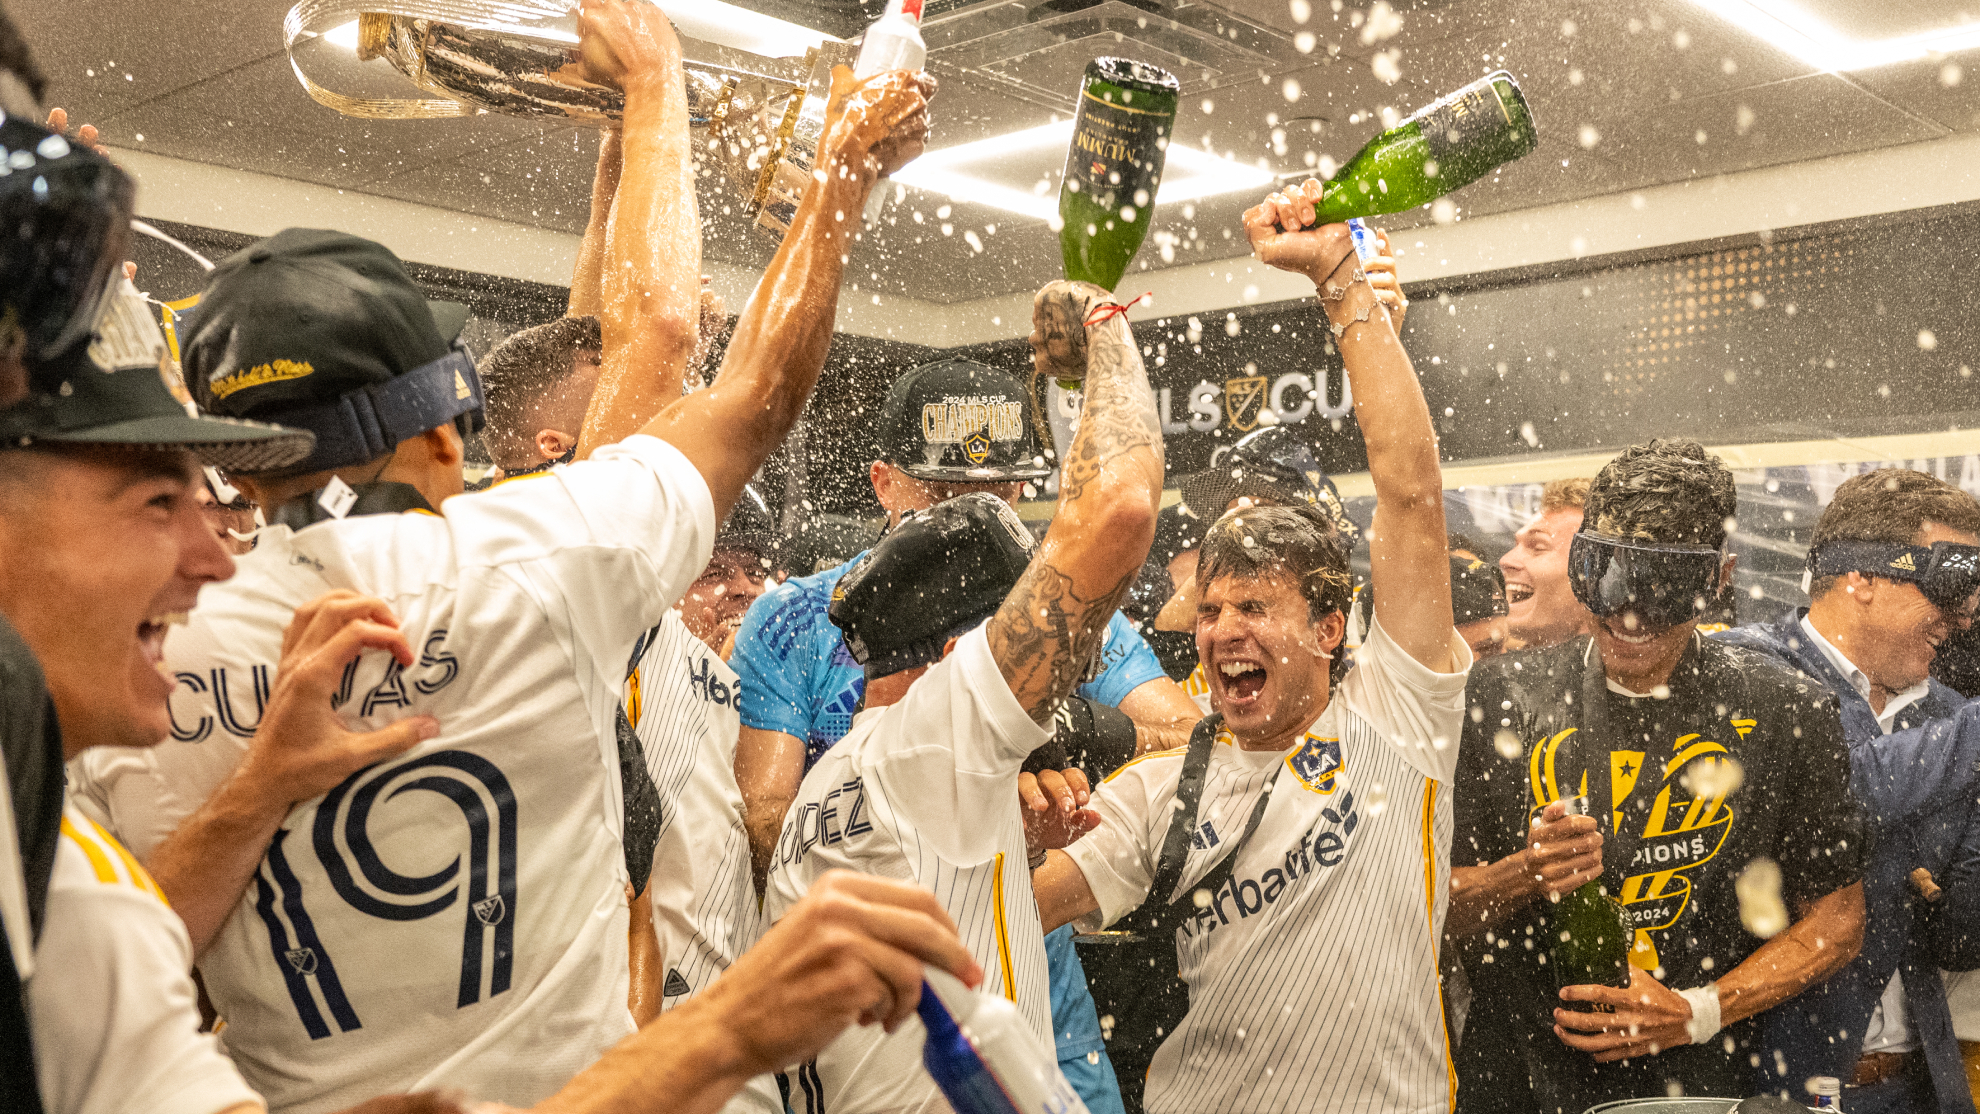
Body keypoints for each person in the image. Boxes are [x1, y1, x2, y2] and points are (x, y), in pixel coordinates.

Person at [69, 6, 938, 1108]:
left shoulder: (128, 655)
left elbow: (115, 951)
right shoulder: (535, 560)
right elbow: (718, 372)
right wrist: (822, 159)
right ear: (440, 428)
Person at [1030, 180, 1472, 1114]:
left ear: (1327, 627)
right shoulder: (1168, 784)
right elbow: (1015, 911)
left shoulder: (1398, 718)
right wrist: (1005, 838)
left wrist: (1340, 280)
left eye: (1256, 607)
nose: (1224, 628)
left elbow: (1410, 492)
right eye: (1213, 608)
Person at [729, 355, 1195, 1110]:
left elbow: (1188, 738)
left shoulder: (878, 735)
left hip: (1017, 942)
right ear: (883, 482)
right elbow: (763, 819)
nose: (982, 517)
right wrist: (968, 792)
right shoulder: (805, 621)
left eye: (1002, 491)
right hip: (866, 955)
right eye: (947, 493)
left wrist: (1038, 792)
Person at [1450, 438, 1867, 1112]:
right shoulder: (1494, 698)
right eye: (1605, 574)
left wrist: (1699, 1010)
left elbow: (1839, 920)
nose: (1629, 614)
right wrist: (1523, 872)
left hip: (1692, 1090)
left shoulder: (1784, 708)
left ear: (1720, 579)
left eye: (1665, 585)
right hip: (1513, 1083)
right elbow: (1423, 912)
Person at [1715, 469, 1980, 1110]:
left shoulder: (1949, 716)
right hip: (1776, 1085)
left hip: (1921, 1082)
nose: (1967, 613)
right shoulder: (1742, 670)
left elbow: (1961, 936)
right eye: (1953, 580)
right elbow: (1838, 791)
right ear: (1859, 575)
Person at [1498, 477, 1593, 652]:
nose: (1506, 561)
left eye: (1538, 547)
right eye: (1516, 545)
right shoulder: (1501, 674)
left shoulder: (1625, 677)